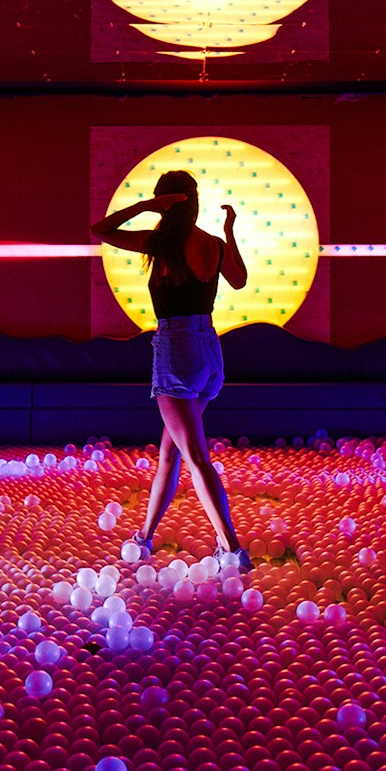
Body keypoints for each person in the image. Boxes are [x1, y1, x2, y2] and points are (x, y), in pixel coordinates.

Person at [91, 170, 252, 571]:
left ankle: (232, 548)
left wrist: (146, 207)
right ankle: (144, 537)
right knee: (169, 453)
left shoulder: (158, 243)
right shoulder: (211, 244)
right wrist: (230, 232)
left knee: (195, 456)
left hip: (176, 352)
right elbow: (239, 279)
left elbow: (100, 229)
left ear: (166, 203)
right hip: (209, 352)